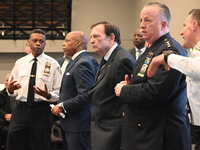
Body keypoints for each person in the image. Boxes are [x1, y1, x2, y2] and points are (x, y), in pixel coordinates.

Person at [114, 2, 191, 150]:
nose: (142, 25)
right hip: (144, 132)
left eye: (148, 20)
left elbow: (157, 92)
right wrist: (130, 85)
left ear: (163, 25)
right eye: (141, 20)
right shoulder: (153, 48)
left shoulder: (169, 51)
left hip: (159, 136)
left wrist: (125, 91)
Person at [147, 9, 200, 150]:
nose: (181, 32)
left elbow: (197, 68)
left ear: (194, 25)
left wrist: (166, 57)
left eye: (184, 25)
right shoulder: (195, 52)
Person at [6, 29, 62, 150]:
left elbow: (59, 92)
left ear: (45, 44)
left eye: (41, 41)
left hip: (41, 111)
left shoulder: (53, 64)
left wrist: (47, 95)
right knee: (14, 143)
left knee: (41, 145)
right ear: (29, 43)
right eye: (35, 41)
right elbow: (12, 91)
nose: (38, 43)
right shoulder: (20, 62)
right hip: (20, 110)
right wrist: (10, 90)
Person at [89, 21, 135, 150]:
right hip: (102, 127)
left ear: (111, 38)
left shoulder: (122, 59)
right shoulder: (106, 58)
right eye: (91, 37)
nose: (92, 41)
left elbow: (127, 98)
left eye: (96, 36)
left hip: (112, 130)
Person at [51, 31, 98, 150]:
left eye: (67, 41)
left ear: (77, 43)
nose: (63, 44)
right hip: (71, 122)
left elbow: (86, 94)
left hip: (79, 123)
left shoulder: (83, 63)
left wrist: (62, 106)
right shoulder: (75, 62)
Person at [0, 74, 16, 149]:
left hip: (17, 120)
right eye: (7, 81)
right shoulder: (1, 94)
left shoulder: (21, 96)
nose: (9, 83)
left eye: (11, 81)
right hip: (3, 120)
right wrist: (5, 115)